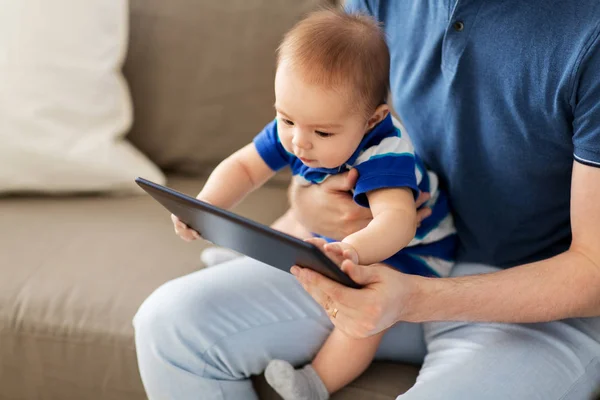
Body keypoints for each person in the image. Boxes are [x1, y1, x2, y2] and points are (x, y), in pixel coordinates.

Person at [133, 1, 600, 399]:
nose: (297, 139)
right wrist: (307, 204)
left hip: (530, 298)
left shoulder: (589, 32)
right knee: (169, 325)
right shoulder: (355, 38)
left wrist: (394, 284)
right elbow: (309, 128)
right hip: (372, 265)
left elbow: (592, 272)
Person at [170, 10, 455, 399]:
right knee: (296, 224)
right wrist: (204, 205)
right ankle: (249, 256)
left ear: (373, 120)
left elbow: (398, 221)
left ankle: (314, 383)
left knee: (365, 315)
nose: (299, 143)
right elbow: (244, 167)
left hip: (412, 255)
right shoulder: (298, 126)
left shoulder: (385, 153)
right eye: (285, 120)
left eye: (322, 132)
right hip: (338, 233)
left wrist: (351, 251)